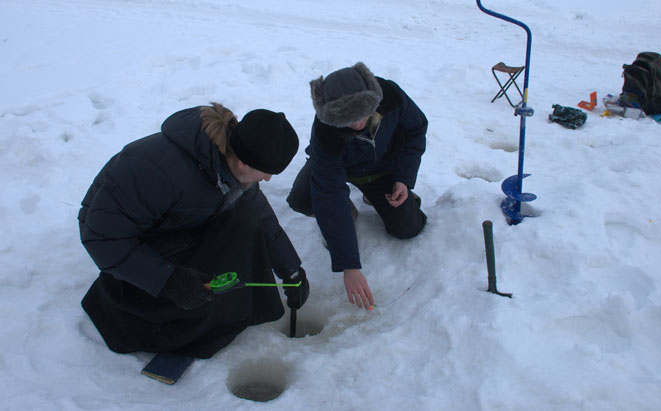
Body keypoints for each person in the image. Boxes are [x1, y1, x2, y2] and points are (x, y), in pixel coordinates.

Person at [79, 103, 309, 359]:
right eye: (266, 173)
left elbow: (262, 218)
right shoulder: (156, 171)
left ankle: (223, 315)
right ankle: (165, 323)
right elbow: (101, 237)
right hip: (131, 243)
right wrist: (170, 281)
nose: (267, 180)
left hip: (175, 227)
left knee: (244, 221)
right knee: (205, 278)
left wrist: (291, 270)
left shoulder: (231, 162)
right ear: (245, 163)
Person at [287, 62, 428, 310]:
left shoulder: (391, 97)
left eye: (362, 116)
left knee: (407, 228)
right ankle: (348, 212)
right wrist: (349, 265)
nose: (357, 125)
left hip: (383, 169)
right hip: (341, 168)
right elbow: (329, 191)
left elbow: (416, 130)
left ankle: (388, 197)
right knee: (302, 198)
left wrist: (403, 178)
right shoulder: (325, 130)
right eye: (347, 121)